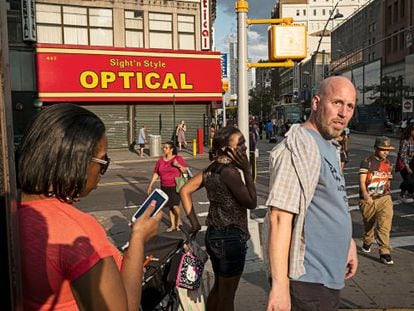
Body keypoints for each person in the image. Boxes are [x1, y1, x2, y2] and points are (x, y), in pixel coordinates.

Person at [17, 103, 162, 310]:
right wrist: (138, 239)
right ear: (78, 161)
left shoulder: (14, 209)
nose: (102, 172)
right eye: (103, 163)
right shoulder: (77, 231)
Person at [266, 76, 358, 311]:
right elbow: (279, 218)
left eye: (350, 106)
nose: (343, 113)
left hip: (328, 277)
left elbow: (331, 201)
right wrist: (279, 287)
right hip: (307, 282)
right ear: (316, 103)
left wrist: (348, 243)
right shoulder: (298, 147)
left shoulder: (329, 146)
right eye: (337, 102)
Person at [180, 126, 257, 311]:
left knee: (219, 288)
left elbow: (184, 190)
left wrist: (195, 222)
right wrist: (247, 171)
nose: (244, 148)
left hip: (214, 236)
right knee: (227, 295)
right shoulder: (230, 173)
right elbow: (252, 202)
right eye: (240, 144)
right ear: (226, 149)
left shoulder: (211, 169)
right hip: (230, 238)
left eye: (244, 142)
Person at [359, 136, 395, 265]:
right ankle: (367, 241)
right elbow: (362, 181)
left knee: (384, 225)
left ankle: (384, 252)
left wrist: (387, 194)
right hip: (369, 199)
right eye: (383, 149)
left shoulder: (388, 164)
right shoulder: (367, 162)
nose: (386, 152)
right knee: (369, 224)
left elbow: (388, 181)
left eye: (388, 150)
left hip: (384, 198)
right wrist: (365, 195)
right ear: (376, 148)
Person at [147, 141, 188, 232]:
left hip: (175, 185)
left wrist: (177, 165)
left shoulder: (178, 158)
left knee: (174, 205)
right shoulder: (160, 161)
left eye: (166, 148)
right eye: (163, 147)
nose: (164, 149)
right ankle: (173, 225)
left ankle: (179, 220)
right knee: (170, 206)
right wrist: (150, 185)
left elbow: (185, 170)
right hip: (164, 186)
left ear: (171, 149)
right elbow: (156, 173)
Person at [397, 124, 414, 201]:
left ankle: (406, 193)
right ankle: (405, 194)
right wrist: (407, 167)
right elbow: (402, 156)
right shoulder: (405, 141)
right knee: (408, 180)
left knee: (408, 181)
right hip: (405, 165)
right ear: (410, 131)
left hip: (413, 164)